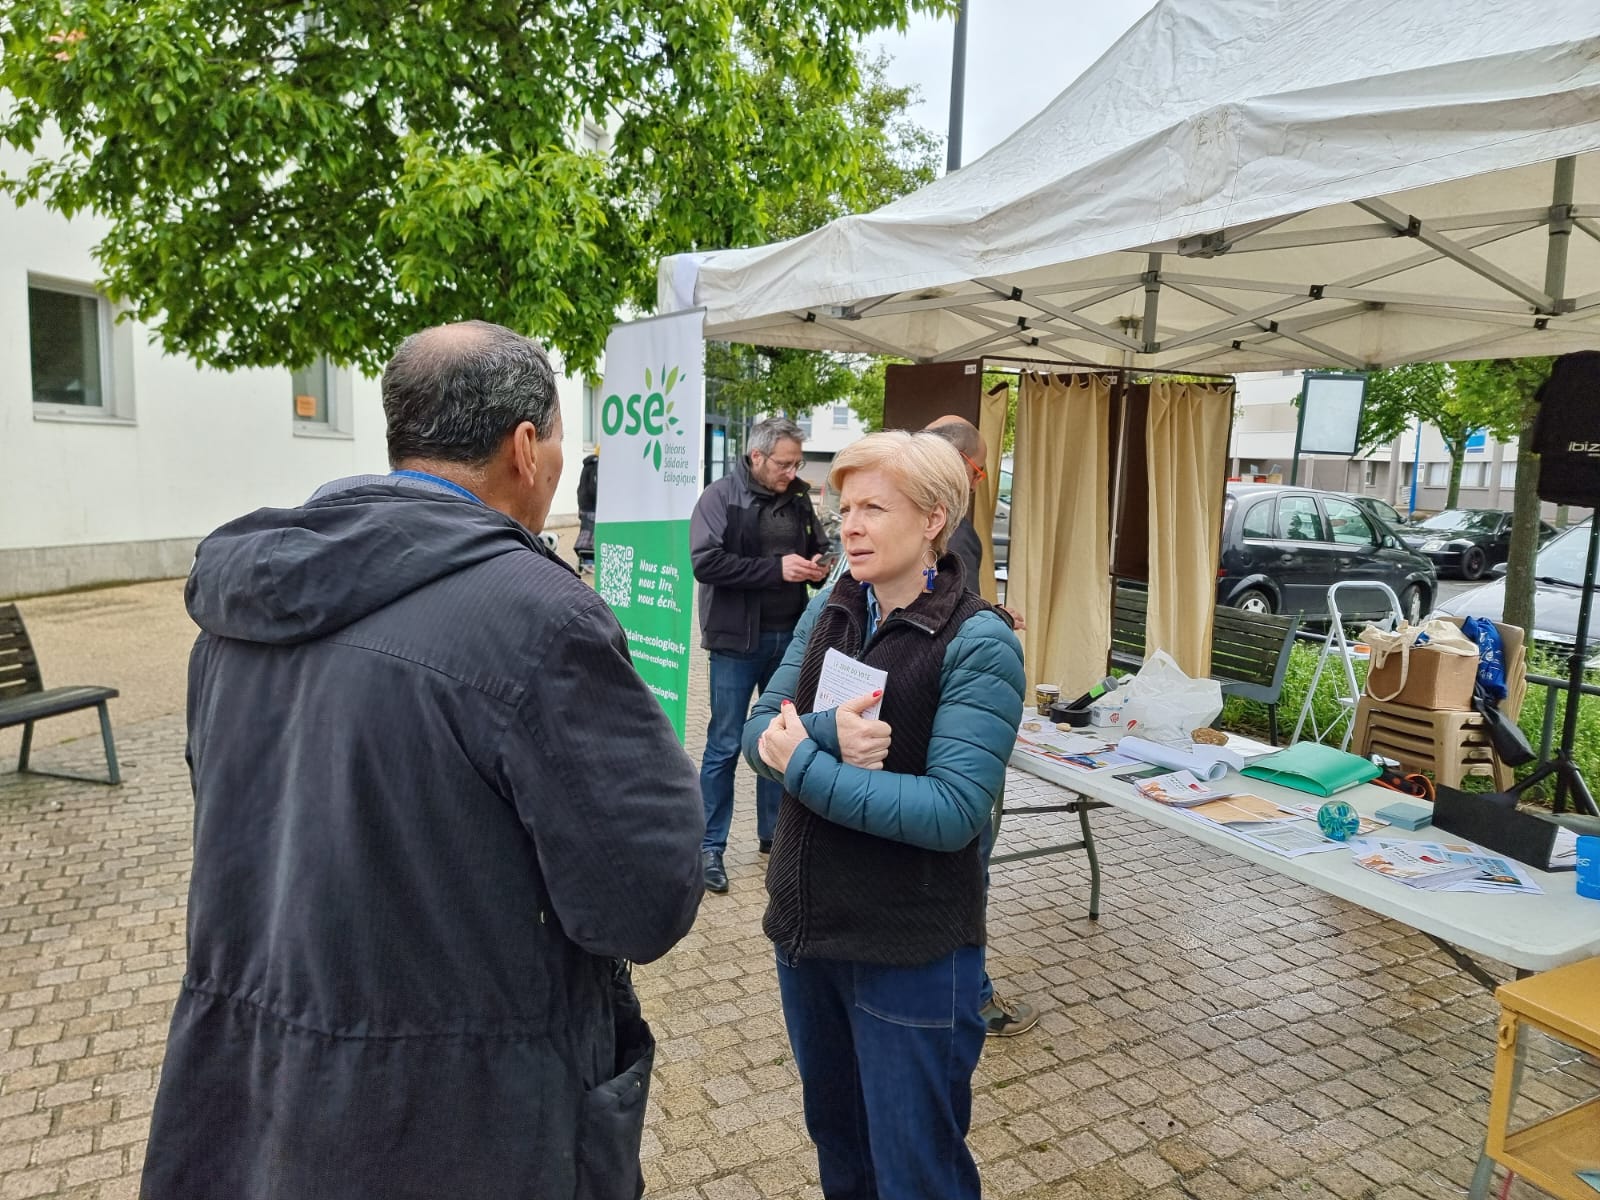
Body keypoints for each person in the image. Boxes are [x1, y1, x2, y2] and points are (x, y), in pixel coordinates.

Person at [140, 322, 704, 1200]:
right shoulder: (541, 620)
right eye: (560, 439)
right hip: (462, 1114)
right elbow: (644, 903)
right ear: (526, 446)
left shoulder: (241, 603)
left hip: (259, 1093)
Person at [742, 430, 1025, 1200]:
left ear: (934, 519)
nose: (851, 526)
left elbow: (953, 811)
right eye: (845, 508)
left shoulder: (978, 641)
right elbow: (759, 729)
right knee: (842, 1150)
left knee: (915, 1171)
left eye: (874, 508)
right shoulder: (832, 607)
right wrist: (824, 734)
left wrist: (802, 761)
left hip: (908, 955)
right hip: (809, 938)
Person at [924, 414, 1040, 1039]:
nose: (979, 482)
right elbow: (939, 618)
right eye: (977, 471)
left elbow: (934, 604)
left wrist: (985, 612)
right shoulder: (949, 526)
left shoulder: (910, 524)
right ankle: (973, 999)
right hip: (948, 732)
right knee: (968, 868)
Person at [690, 416, 829, 894]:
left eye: (796, 464)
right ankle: (709, 847)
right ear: (756, 456)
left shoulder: (798, 497)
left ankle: (775, 838)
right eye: (784, 464)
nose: (792, 472)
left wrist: (819, 565)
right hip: (735, 641)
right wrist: (775, 570)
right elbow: (705, 562)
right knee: (725, 743)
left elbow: (818, 545)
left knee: (780, 739)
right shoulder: (720, 497)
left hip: (789, 639)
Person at [574, 445, 598, 571]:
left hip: (583, 503)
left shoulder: (587, 465)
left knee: (586, 531)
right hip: (591, 505)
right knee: (590, 533)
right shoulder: (596, 466)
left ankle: (584, 560)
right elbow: (594, 487)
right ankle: (588, 561)